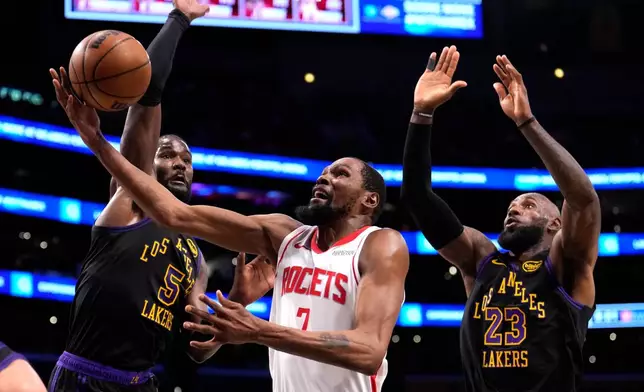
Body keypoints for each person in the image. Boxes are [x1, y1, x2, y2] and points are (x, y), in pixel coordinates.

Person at [55, 78, 409, 392]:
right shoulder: (284, 235)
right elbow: (175, 213)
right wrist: (97, 141)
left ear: (369, 200)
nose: (324, 178)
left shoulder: (380, 244)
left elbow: (368, 350)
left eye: (340, 174)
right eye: (324, 172)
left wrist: (258, 330)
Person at [46, 2, 230, 391]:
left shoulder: (195, 257)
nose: (180, 163)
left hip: (141, 382)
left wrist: (241, 299)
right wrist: (179, 19)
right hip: (87, 376)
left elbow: (198, 347)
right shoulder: (130, 201)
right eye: (167, 154)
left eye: (187, 159)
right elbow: (148, 96)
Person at [401, 46, 600, 391]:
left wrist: (527, 123)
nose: (514, 208)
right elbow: (418, 199)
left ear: (556, 223)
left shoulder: (565, 264)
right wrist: (421, 114)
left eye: (529, 205)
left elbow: (582, 201)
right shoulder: (481, 258)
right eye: (512, 206)